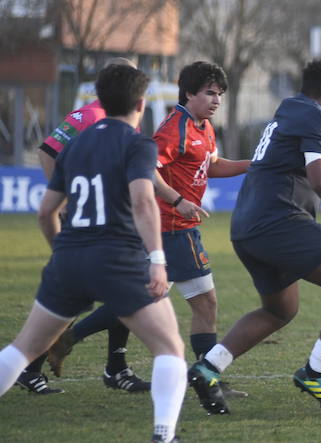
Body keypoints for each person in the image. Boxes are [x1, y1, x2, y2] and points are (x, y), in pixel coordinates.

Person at [186, 59, 321, 415]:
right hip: (280, 221)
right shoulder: (318, 118)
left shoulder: (291, 109)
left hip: (248, 226)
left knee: (280, 310)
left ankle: (208, 368)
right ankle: (317, 372)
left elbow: (307, 165)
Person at [0, 64, 187, 443]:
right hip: (117, 258)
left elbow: (45, 212)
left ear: (99, 100)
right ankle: (164, 435)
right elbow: (142, 202)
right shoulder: (138, 143)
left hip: (69, 257)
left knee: (23, 348)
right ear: (141, 102)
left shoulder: (77, 143)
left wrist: (62, 254)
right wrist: (157, 260)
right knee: (169, 348)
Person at [31, 57, 150, 394]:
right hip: (88, 218)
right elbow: (47, 152)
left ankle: (116, 367)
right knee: (75, 289)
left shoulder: (125, 118)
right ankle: (32, 364)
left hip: (112, 217)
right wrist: (66, 199)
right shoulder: (87, 115)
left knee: (120, 284)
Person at [149, 61, 249, 398]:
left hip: (182, 226)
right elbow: (146, 169)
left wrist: (254, 164)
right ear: (189, 92)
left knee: (148, 301)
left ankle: (208, 377)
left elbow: (214, 165)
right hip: (171, 227)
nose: (216, 100)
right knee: (202, 303)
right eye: (209, 93)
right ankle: (207, 377)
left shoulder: (203, 127)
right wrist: (178, 201)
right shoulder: (173, 128)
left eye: (219, 94)